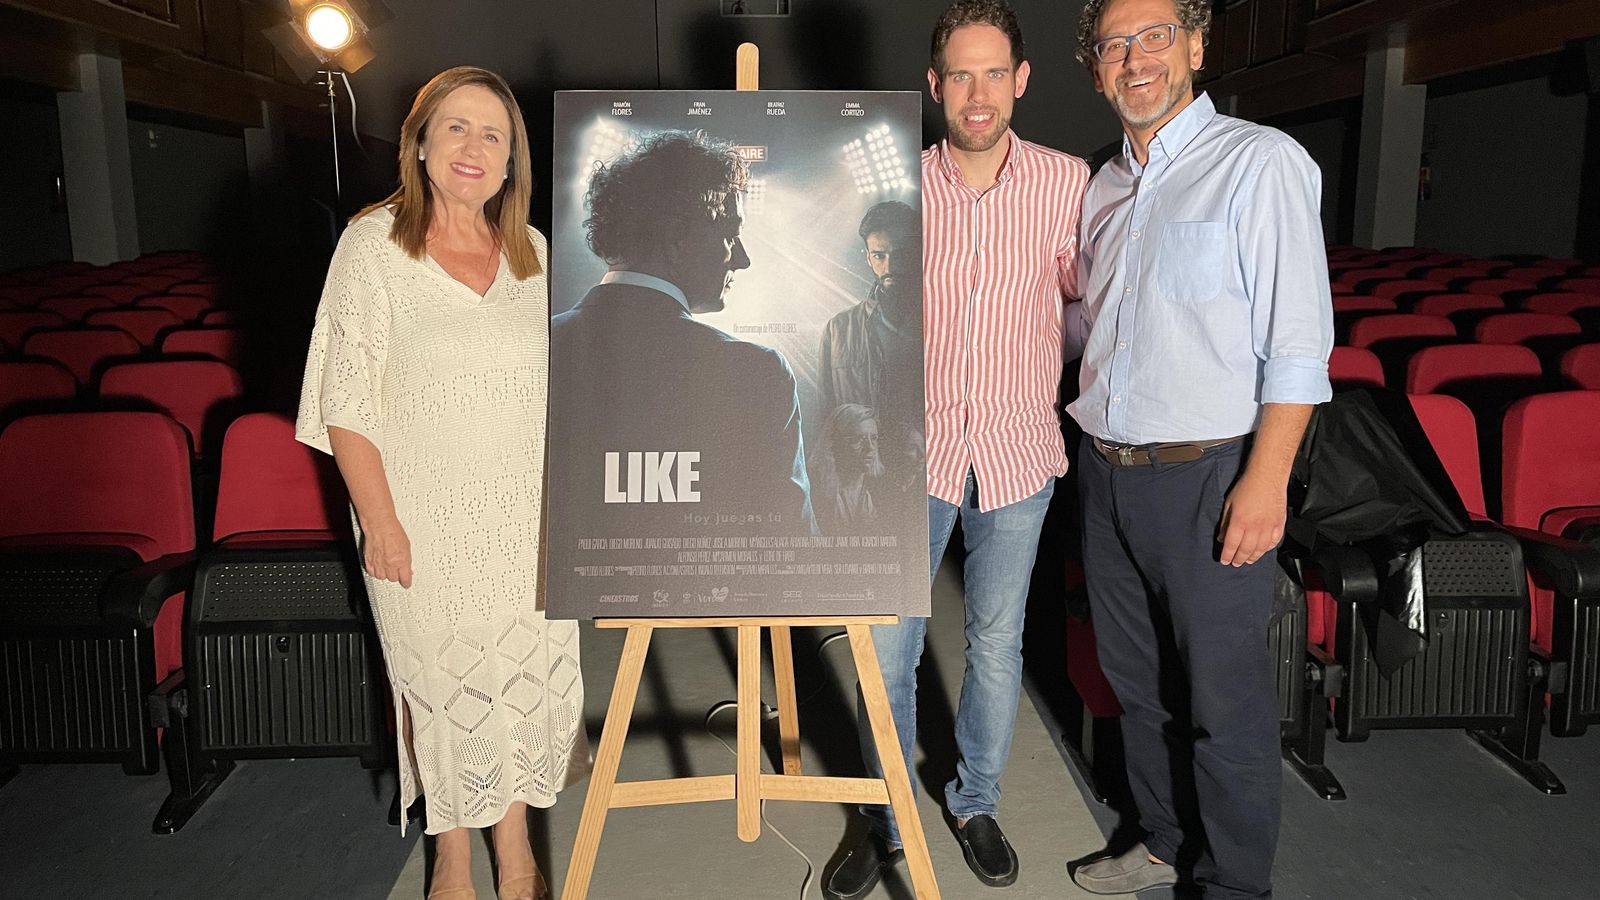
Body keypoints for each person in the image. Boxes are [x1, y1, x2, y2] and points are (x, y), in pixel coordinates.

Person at [1064, 1, 1333, 898]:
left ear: (1197, 44)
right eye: (1113, 44)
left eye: (1155, 36)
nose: (1134, 60)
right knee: (1137, 687)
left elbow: (1298, 342)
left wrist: (1266, 481)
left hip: (1212, 477)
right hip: (1106, 474)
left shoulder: (1260, 164)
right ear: (1094, 65)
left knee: (1225, 707)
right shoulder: (1102, 188)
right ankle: (1162, 840)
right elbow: (1091, 326)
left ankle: (1233, 885)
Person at [296, 66, 583, 900]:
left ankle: (517, 847)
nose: (474, 147)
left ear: (511, 162)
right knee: (439, 688)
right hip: (417, 522)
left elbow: (569, 390)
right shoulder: (374, 246)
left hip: (524, 524)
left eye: (493, 134)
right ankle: (450, 853)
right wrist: (378, 521)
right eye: (456, 127)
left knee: (524, 683)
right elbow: (345, 401)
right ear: (420, 142)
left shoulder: (535, 253)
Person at [823, 2, 1090, 897]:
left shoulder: (1067, 185)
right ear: (934, 86)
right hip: (913, 455)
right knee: (885, 648)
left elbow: (1086, 307)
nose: (977, 95)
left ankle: (975, 801)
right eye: (958, 76)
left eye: (993, 73)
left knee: (995, 641)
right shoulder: (901, 189)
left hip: (1016, 452)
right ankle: (885, 815)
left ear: (1021, 78)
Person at [549, 129, 815, 538]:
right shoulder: (756, 372)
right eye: (730, 233)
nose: (742, 260)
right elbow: (791, 550)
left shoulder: (543, 346)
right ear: (676, 240)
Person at [816, 200, 924, 439]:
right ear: (867, 258)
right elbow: (828, 417)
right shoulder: (838, 329)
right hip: (863, 466)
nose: (890, 266)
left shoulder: (942, 320)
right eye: (879, 255)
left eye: (901, 254)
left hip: (923, 464)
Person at [811, 403, 885, 533]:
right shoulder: (816, 491)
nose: (870, 448)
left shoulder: (880, 490)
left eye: (873, 438)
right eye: (858, 439)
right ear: (835, 443)